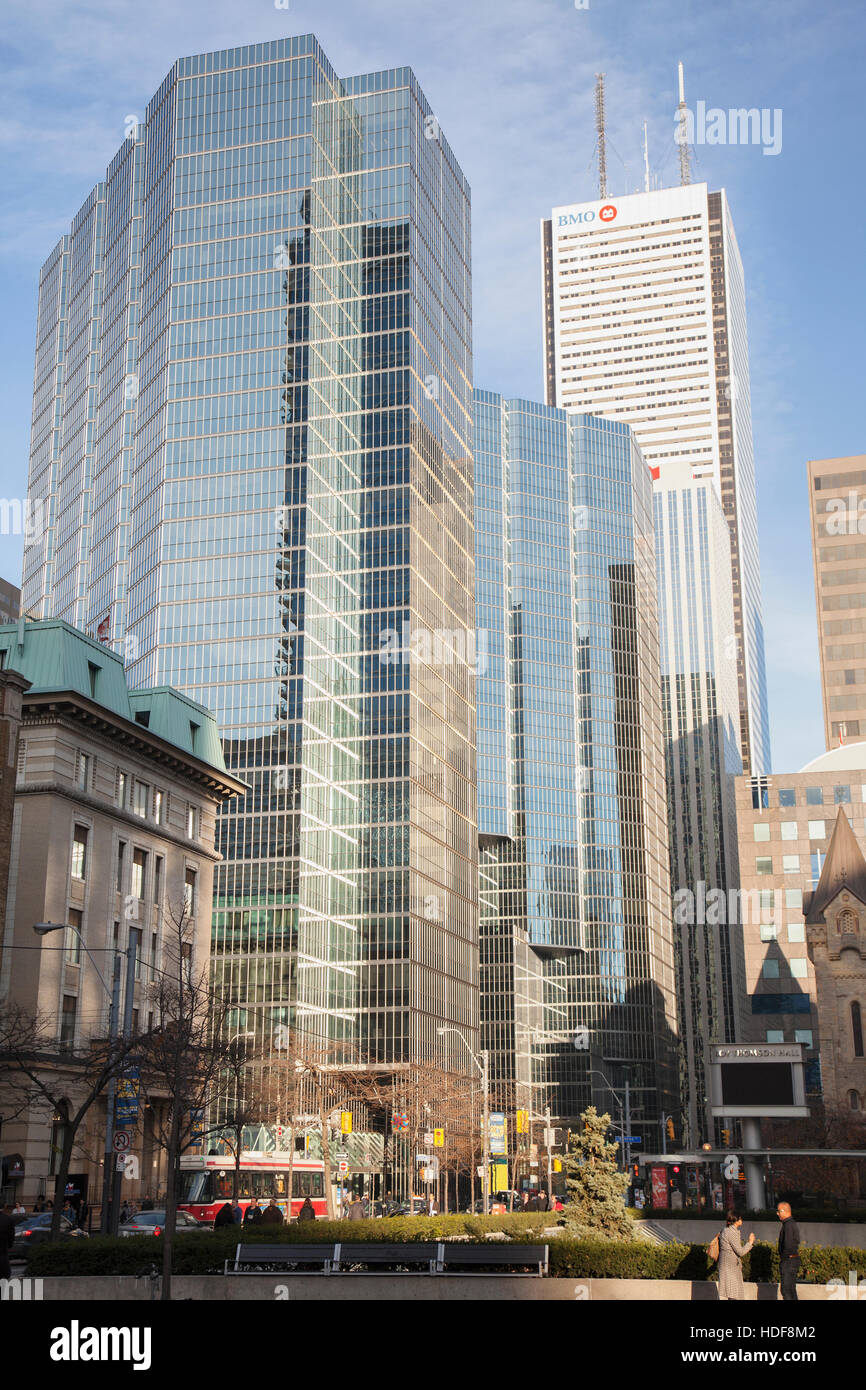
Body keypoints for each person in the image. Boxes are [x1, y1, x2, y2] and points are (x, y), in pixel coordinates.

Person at [717, 1210, 755, 1301]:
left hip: (728, 1266)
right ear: (736, 1220)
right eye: (740, 1218)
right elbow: (740, 1252)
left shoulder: (726, 1230)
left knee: (733, 1294)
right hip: (730, 1267)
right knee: (734, 1295)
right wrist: (750, 1242)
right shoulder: (731, 1232)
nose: (741, 1220)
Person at [776, 1201, 800, 1301]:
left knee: (787, 1290)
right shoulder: (789, 1224)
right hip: (791, 1260)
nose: (777, 1214)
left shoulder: (788, 1225)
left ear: (784, 1211)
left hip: (789, 1261)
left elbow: (788, 1245)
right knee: (790, 1289)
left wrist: (784, 1258)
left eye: (778, 1211)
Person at [0, 1204, 16, 1281]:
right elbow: (11, 1235)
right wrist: (10, 1244)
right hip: (3, 1247)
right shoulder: (8, 1219)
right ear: (3, 1208)